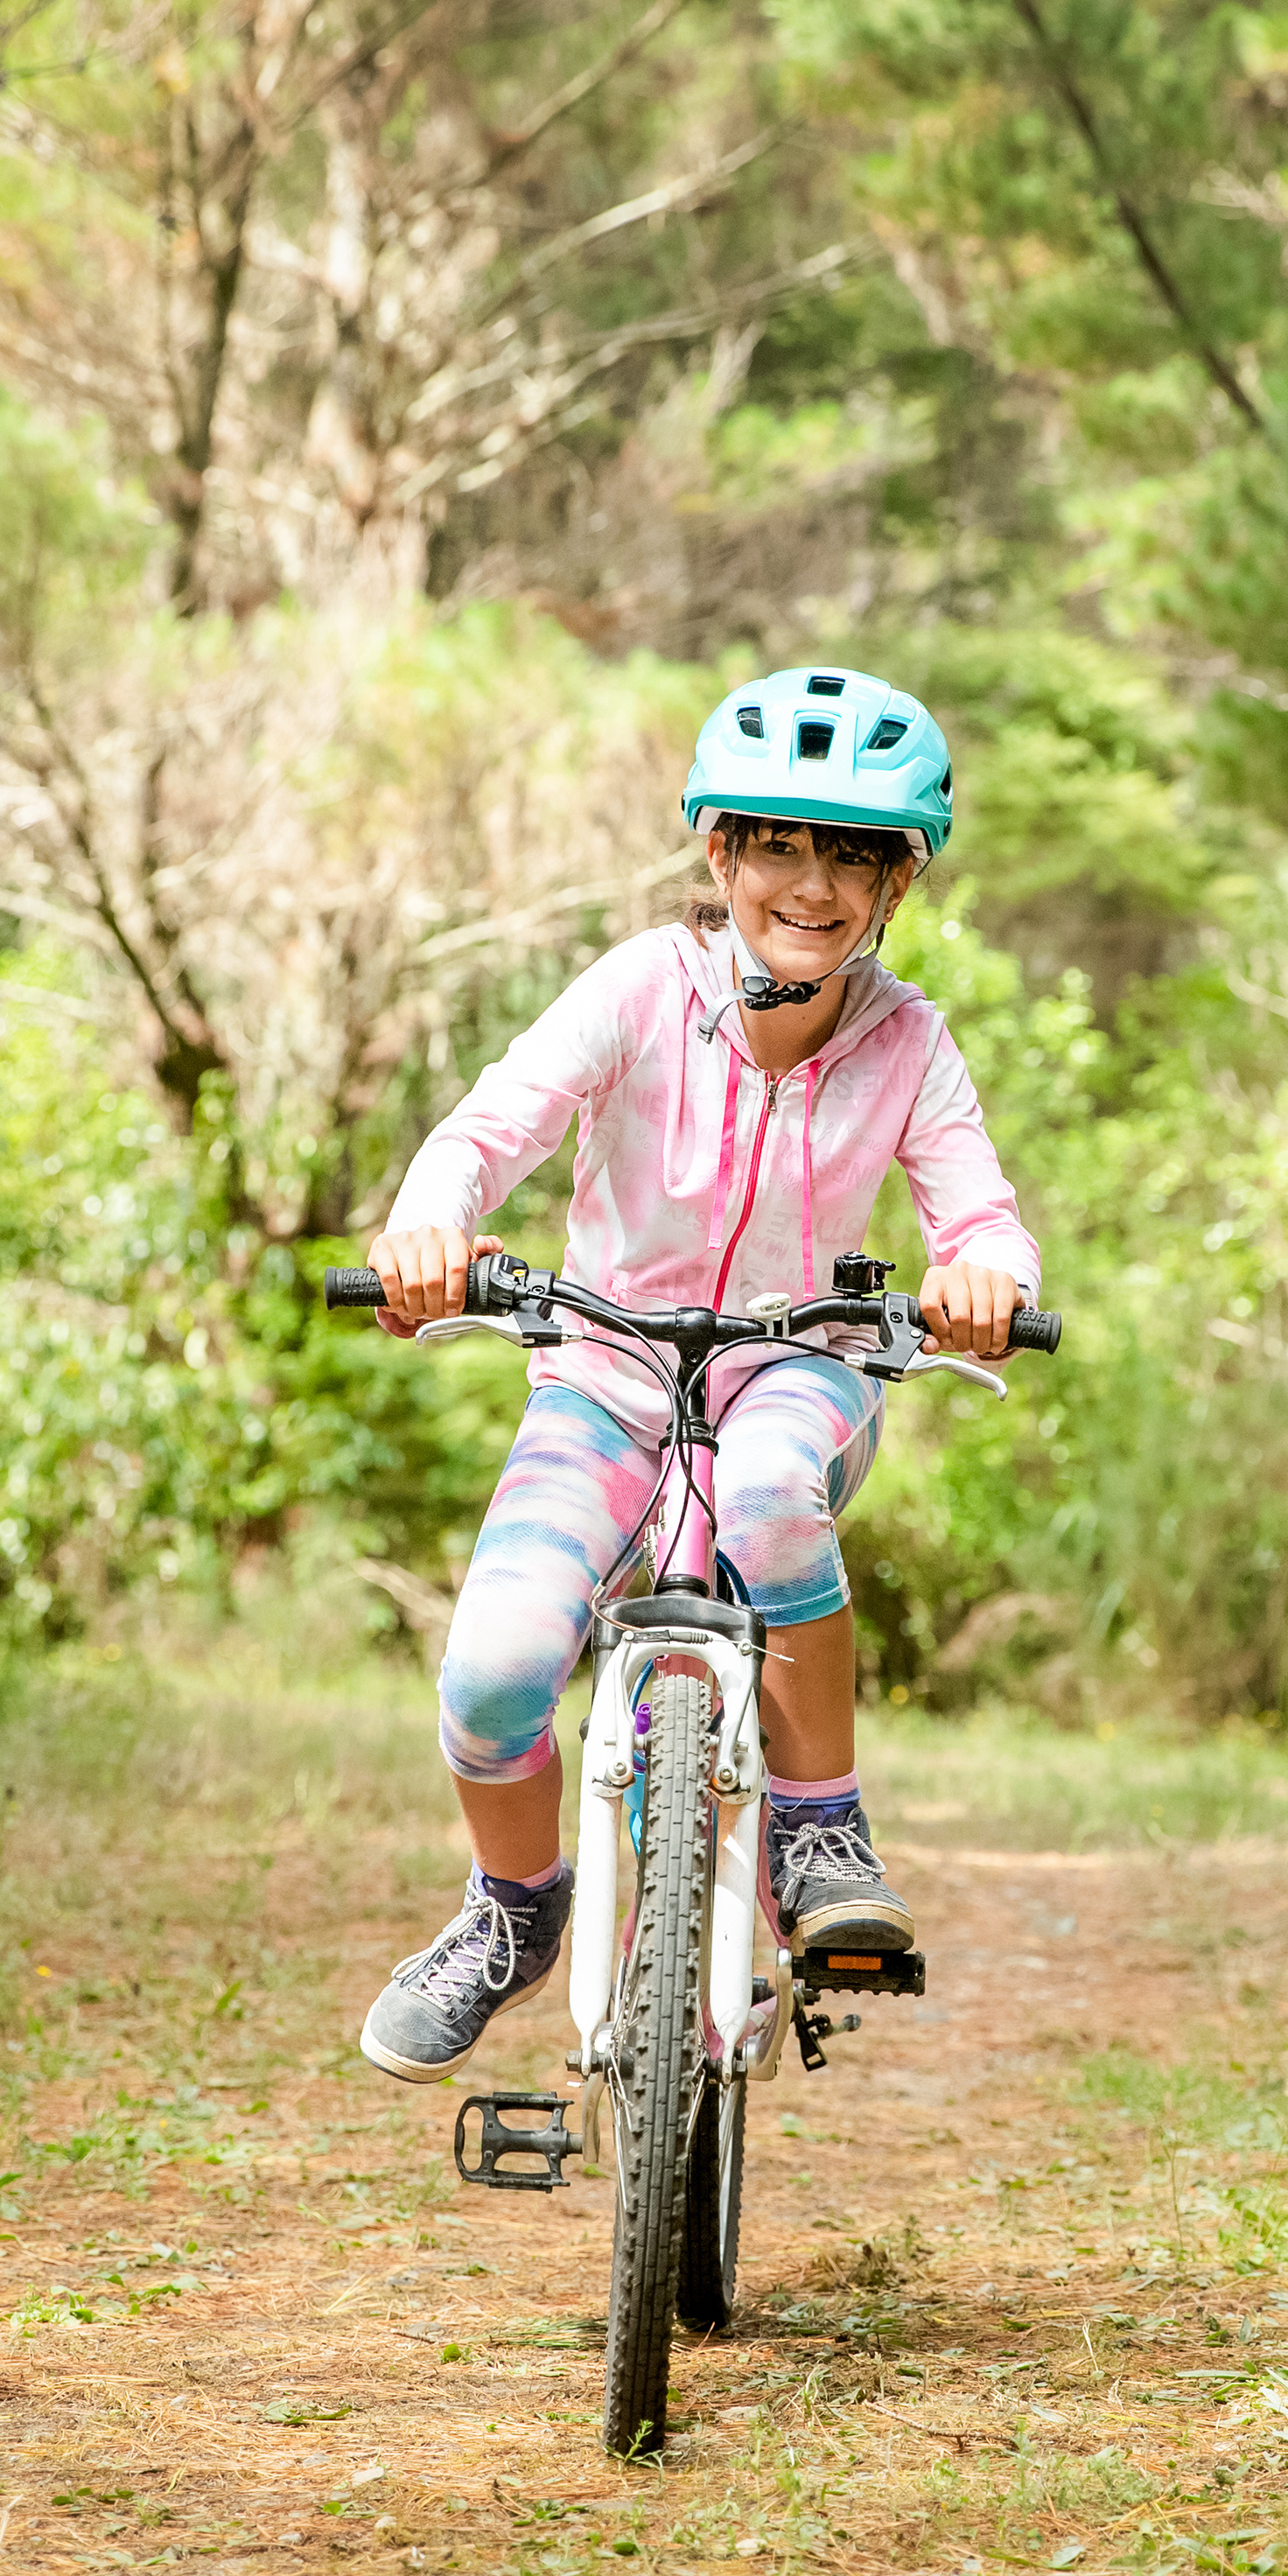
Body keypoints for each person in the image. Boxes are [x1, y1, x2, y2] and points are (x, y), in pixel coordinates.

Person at [354, 666, 1043, 2083]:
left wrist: (988, 1282)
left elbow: (979, 1216)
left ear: (899, 886)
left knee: (777, 1488)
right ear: (718, 851)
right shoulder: (636, 991)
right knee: (491, 1676)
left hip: (800, 1373)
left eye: (856, 853)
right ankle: (511, 1910)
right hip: (604, 1374)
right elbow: (492, 1128)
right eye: (780, 842)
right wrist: (429, 1225)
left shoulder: (908, 1043)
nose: (813, 883)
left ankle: (824, 1823)